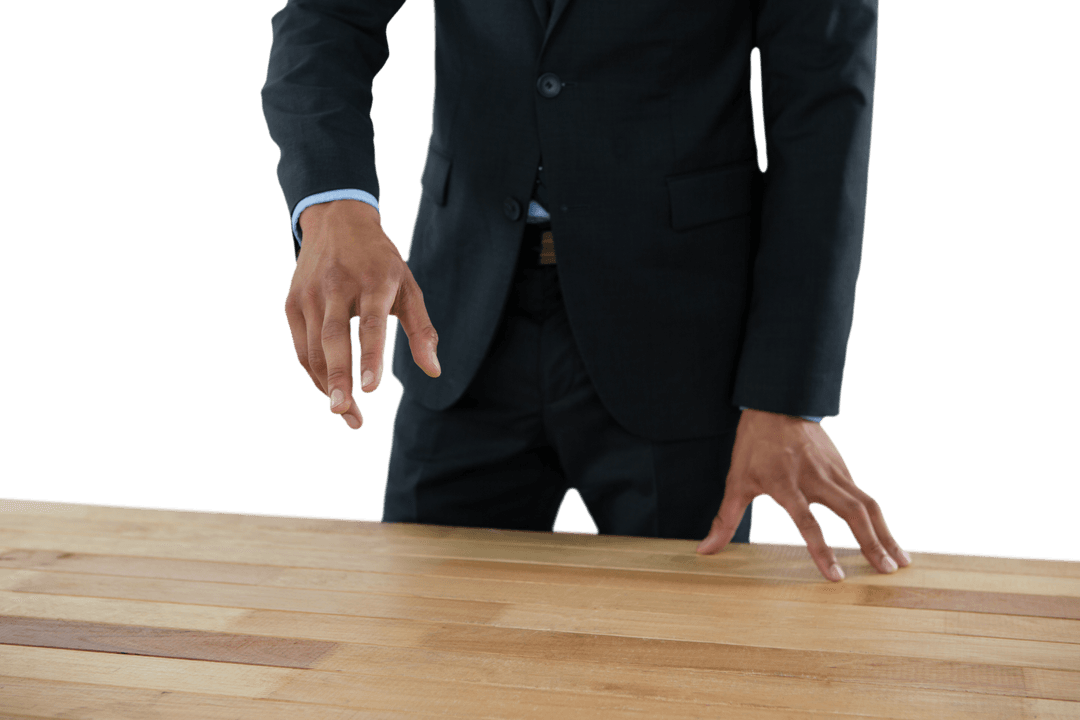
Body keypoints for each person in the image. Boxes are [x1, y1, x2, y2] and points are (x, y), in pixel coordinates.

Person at [260, 0, 912, 582]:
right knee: (426, 650)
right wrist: (334, 203)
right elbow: (329, 14)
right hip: (462, 325)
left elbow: (822, 124)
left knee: (676, 672)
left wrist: (787, 398)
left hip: (680, 338)